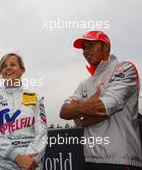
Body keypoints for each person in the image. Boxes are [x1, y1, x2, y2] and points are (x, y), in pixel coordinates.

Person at [60, 30, 142, 170]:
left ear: (106, 47)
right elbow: (63, 112)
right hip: (91, 159)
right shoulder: (85, 83)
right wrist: (85, 108)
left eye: (91, 45)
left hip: (121, 159)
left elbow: (103, 108)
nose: (86, 50)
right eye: (84, 47)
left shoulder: (124, 68)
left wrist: (80, 117)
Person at [0, 53, 48, 170]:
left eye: (13, 64)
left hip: (31, 163)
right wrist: (16, 157)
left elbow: (41, 131)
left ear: (22, 70)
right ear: (1, 73)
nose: (8, 68)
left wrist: (29, 160)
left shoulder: (34, 97)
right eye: (4, 66)